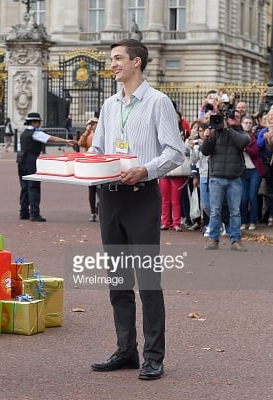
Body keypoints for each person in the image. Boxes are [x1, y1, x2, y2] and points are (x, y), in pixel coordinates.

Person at [88, 39, 185, 381]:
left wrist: (145, 169)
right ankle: (126, 350)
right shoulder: (110, 105)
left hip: (142, 196)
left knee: (147, 280)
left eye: (118, 58)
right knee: (118, 280)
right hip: (110, 197)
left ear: (137, 62)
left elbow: (176, 152)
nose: (112, 64)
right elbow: (97, 148)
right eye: (112, 59)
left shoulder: (158, 102)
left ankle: (154, 355)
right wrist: (82, 165)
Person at [200, 109, 250, 251]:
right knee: (215, 211)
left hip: (234, 178)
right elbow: (205, 151)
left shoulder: (241, 133)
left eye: (237, 117)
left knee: (235, 211)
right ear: (226, 118)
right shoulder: (216, 132)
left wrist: (228, 129)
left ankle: (236, 240)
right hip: (216, 177)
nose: (234, 119)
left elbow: (242, 143)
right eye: (232, 117)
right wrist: (207, 138)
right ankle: (213, 240)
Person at [17, 111, 77, 222]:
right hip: (31, 160)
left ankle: (23, 212)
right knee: (33, 187)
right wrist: (66, 140)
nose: (39, 124)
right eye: (38, 122)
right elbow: (51, 138)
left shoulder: (23, 133)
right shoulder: (36, 133)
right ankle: (34, 214)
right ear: (34, 122)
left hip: (21, 160)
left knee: (24, 187)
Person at [239, 115, 265, 231]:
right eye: (246, 123)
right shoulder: (237, 137)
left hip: (254, 170)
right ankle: (244, 221)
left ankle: (253, 221)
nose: (248, 125)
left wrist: (244, 148)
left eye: (250, 123)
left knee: (252, 196)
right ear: (241, 124)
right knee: (243, 198)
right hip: (242, 172)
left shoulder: (252, 138)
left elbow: (255, 152)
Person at [78, 117, 99, 221]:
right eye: (92, 124)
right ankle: (93, 212)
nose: (94, 125)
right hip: (91, 164)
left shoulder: (102, 134)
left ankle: (99, 207)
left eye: (95, 123)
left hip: (100, 163)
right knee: (92, 190)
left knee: (101, 189)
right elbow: (80, 143)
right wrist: (87, 131)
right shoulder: (88, 135)